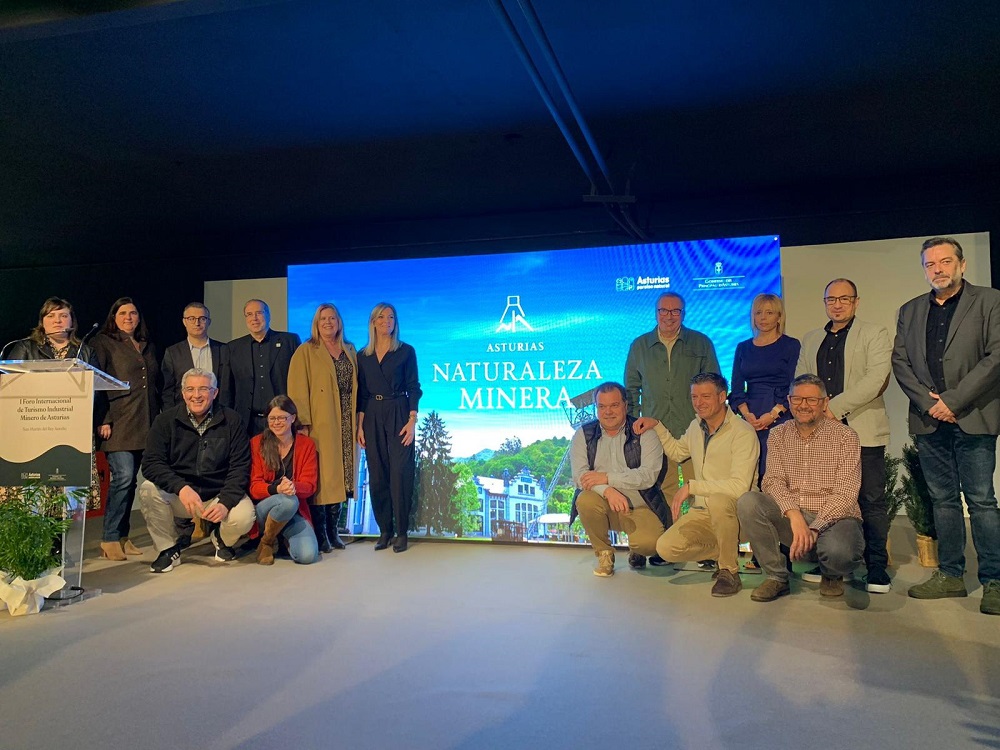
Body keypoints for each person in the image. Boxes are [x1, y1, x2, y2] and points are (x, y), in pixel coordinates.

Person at [892, 237, 1000, 616]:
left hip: (973, 416)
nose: (938, 269)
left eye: (945, 261)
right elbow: (900, 363)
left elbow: (996, 356)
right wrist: (930, 404)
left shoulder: (990, 301)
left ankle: (995, 580)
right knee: (943, 501)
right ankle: (951, 575)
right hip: (928, 420)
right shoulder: (909, 310)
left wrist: (952, 402)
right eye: (930, 264)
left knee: (982, 501)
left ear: (962, 264)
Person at [797, 279, 893, 593]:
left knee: (871, 500)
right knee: (827, 498)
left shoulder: (874, 333)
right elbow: (803, 380)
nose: (837, 304)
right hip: (820, 435)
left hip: (863, 430)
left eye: (844, 298)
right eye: (831, 299)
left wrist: (832, 407)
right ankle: (831, 565)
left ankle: (876, 567)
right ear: (824, 302)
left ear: (856, 301)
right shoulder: (811, 339)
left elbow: (876, 379)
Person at [736, 374, 863, 602]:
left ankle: (832, 573)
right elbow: (772, 480)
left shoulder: (846, 437)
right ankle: (777, 577)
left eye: (812, 400)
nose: (803, 405)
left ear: (825, 403)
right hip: (793, 518)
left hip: (834, 519)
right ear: (789, 400)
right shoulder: (777, 434)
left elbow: (846, 494)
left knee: (840, 553)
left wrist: (814, 528)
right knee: (748, 502)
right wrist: (794, 516)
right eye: (797, 399)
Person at [634, 372, 759, 596]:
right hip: (703, 512)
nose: (699, 403)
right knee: (666, 548)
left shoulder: (743, 432)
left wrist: (692, 487)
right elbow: (677, 452)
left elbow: (740, 487)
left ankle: (729, 571)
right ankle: (723, 553)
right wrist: (657, 425)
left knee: (720, 501)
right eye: (694, 397)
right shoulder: (696, 426)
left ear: (722, 397)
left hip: (738, 513)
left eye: (706, 396)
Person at [138, 368, 254, 573]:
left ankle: (221, 539)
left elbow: (240, 467)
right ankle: (168, 549)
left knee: (244, 517)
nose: (196, 395)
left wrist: (226, 502)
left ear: (215, 393)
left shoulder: (232, 420)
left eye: (203, 389)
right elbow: (151, 463)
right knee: (148, 490)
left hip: (217, 496)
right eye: (190, 389)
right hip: (182, 496)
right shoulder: (165, 421)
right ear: (183, 393)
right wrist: (180, 487)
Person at [570, 381, 670, 577]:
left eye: (614, 405)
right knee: (585, 499)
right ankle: (604, 554)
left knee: (651, 544)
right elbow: (579, 477)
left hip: (640, 506)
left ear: (625, 405)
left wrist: (606, 477)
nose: (608, 412)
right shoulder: (583, 434)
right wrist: (607, 490)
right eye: (602, 406)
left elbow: (647, 477)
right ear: (596, 408)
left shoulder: (645, 433)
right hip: (604, 506)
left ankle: (638, 550)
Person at [624, 292, 720, 492]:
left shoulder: (701, 343)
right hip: (654, 431)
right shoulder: (639, 346)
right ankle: (668, 525)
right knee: (664, 492)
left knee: (699, 490)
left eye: (675, 310)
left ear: (683, 314)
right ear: (656, 313)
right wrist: (634, 426)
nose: (669, 315)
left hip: (694, 429)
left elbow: (714, 386)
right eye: (664, 310)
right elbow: (631, 389)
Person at [92, 297, 161, 562]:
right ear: (114, 317)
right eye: (123, 313)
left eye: (133, 313)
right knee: (122, 477)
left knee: (132, 480)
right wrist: (104, 419)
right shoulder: (103, 342)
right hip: (118, 423)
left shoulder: (146, 344)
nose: (128, 317)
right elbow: (98, 383)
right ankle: (109, 538)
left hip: (146, 422)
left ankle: (122, 536)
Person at [287, 303, 358, 553]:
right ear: (316, 324)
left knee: (341, 477)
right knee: (323, 479)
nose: (328, 322)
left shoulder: (350, 350)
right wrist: (302, 423)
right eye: (322, 319)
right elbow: (296, 389)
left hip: (345, 423)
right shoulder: (306, 351)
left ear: (339, 321)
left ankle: (334, 531)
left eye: (332, 318)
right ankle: (322, 534)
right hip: (320, 423)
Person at [356, 302, 421, 553]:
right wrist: (361, 426)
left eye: (391, 317)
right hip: (372, 414)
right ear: (373, 322)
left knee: (400, 473)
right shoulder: (363, 356)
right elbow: (362, 393)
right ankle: (385, 530)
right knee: (378, 474)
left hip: (399, 411)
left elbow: (414, 387)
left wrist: (412, 420)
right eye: (381, 317)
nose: (386, 321)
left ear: (396, 322)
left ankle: (402, 531)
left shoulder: (406, 351)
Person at [729, 293, 799, 485]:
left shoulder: (791, 345)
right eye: (758, 312)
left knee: (776, 472)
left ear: (779, 316)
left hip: (780, 414)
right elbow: (736, 388)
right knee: (748, 472)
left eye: (769, 312)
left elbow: (795, 387)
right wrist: (746, 415)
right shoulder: (742, 347)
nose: (763, 317)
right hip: (749, 415)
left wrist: (774, 414)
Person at [248, 396, 320, 565]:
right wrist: (277, 489)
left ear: (293, 418)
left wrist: (292, 486)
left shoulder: (306, 445)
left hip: (294, 510)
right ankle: (268, 541)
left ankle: (271, 539)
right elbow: (254, 487)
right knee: (288, 501)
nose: (277, 422)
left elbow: (310, 486)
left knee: (307, 556)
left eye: (282, 417)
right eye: (272, 418)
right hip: (264, 509)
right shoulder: (257, 443)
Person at [228, 299, 301, 437]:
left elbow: (300, 380)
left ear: (268, 316)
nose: (254, 318)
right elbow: (228, 387)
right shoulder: (233, 348)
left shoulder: (289, 341)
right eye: (249, 314)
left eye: (259, 313)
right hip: (247, 423)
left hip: (282, 420)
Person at [161, 302, 231, 409]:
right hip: (182, 415)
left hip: (218, 413)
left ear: (209, 322)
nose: (197, 323)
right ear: (184, 322)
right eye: (191, 318)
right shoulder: (173, 352)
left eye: (202, 319)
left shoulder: (224, 350)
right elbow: (167, 391)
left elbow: (228, 386)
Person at [7, 296, 98, 365]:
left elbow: (96, 386)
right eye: (51, 316)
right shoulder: (26, 347)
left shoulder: (86, 352)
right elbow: (10, 383)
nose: (57, 320)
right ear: (42, 323)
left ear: (72, 322)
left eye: (64, 316)